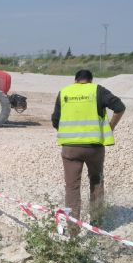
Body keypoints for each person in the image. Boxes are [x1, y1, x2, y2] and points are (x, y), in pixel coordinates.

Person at [51, 69, 125, 227]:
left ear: (75, 80)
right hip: (94, 147)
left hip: (70, 149)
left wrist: (71, 134)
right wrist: (111, 127)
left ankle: (73, 230)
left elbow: (55, 121)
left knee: (72, 187)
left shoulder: (64, 92)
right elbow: (120, 107)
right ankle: (97, 224)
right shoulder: (97, 90)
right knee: (96, 182)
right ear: (90, 80)